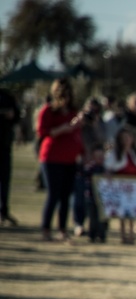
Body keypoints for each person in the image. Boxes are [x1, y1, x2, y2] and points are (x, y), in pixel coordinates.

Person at [36, 78, 83, 242]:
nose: (66, 99)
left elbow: (78, 135)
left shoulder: (74, 112)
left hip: (70, 159)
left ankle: (62, 229)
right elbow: (42, 132)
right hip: (51, 158)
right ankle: (46, 228)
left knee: (66, 196)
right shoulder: (48, 111)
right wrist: (61, 129)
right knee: (53, 194)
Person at [104, 126, 136, 244]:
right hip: (120, 185)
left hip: (134, 185)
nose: (126, 140)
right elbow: (109, 167)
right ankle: (123, 235)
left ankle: (131, 234)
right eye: (124, 138)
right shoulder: (115, 153)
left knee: (132, 211)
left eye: (128, 137)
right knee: (122, 211)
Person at [73, 96, 106, 237]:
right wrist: (78, 122)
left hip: (95, 166)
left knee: (94, 200)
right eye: (89, 109)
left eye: (95, 109)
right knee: (79, 197)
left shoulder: (99, 123)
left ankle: (96, 227)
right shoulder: (77, 121)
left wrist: (95, 124)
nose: (92, 112)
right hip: (79, 164)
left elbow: (102, 140)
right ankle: (79, 224)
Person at [0, 86, 22, 226]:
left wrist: (12, 115)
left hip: (4, 145)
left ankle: (3, 211)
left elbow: (16, 116)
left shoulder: (7, 96)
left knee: (5, 180)